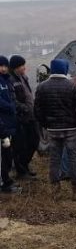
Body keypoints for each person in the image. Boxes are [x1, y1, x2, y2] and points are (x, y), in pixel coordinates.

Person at [34, 58, 76, 200]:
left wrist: (45, 124)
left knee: (54, 159)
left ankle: (55, 191)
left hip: (52, 129)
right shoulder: (73, 86)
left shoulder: (42, 87)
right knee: (73, 159)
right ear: (65, 69)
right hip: (71, 128)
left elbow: (37, 110)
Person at [9, 55, 40, 179]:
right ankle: (21, 170)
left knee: (34, 141)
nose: (24, 68)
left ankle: (25, 165)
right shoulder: (11, 80)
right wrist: (25, 108)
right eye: (22, 65)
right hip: (21, 118)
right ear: (16, 67)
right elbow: (13, 101)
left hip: (30, 116)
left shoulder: (23, 78)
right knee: (21, 145)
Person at [0, 55, 21, 194]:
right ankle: (3, 183)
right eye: (1, 66)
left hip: (8, 123)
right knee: (3, 156)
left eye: (5, 66)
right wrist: (10, 107)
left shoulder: (6, 81)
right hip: (2, 124)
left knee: (7, 155)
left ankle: (6, 179)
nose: (3, 68)